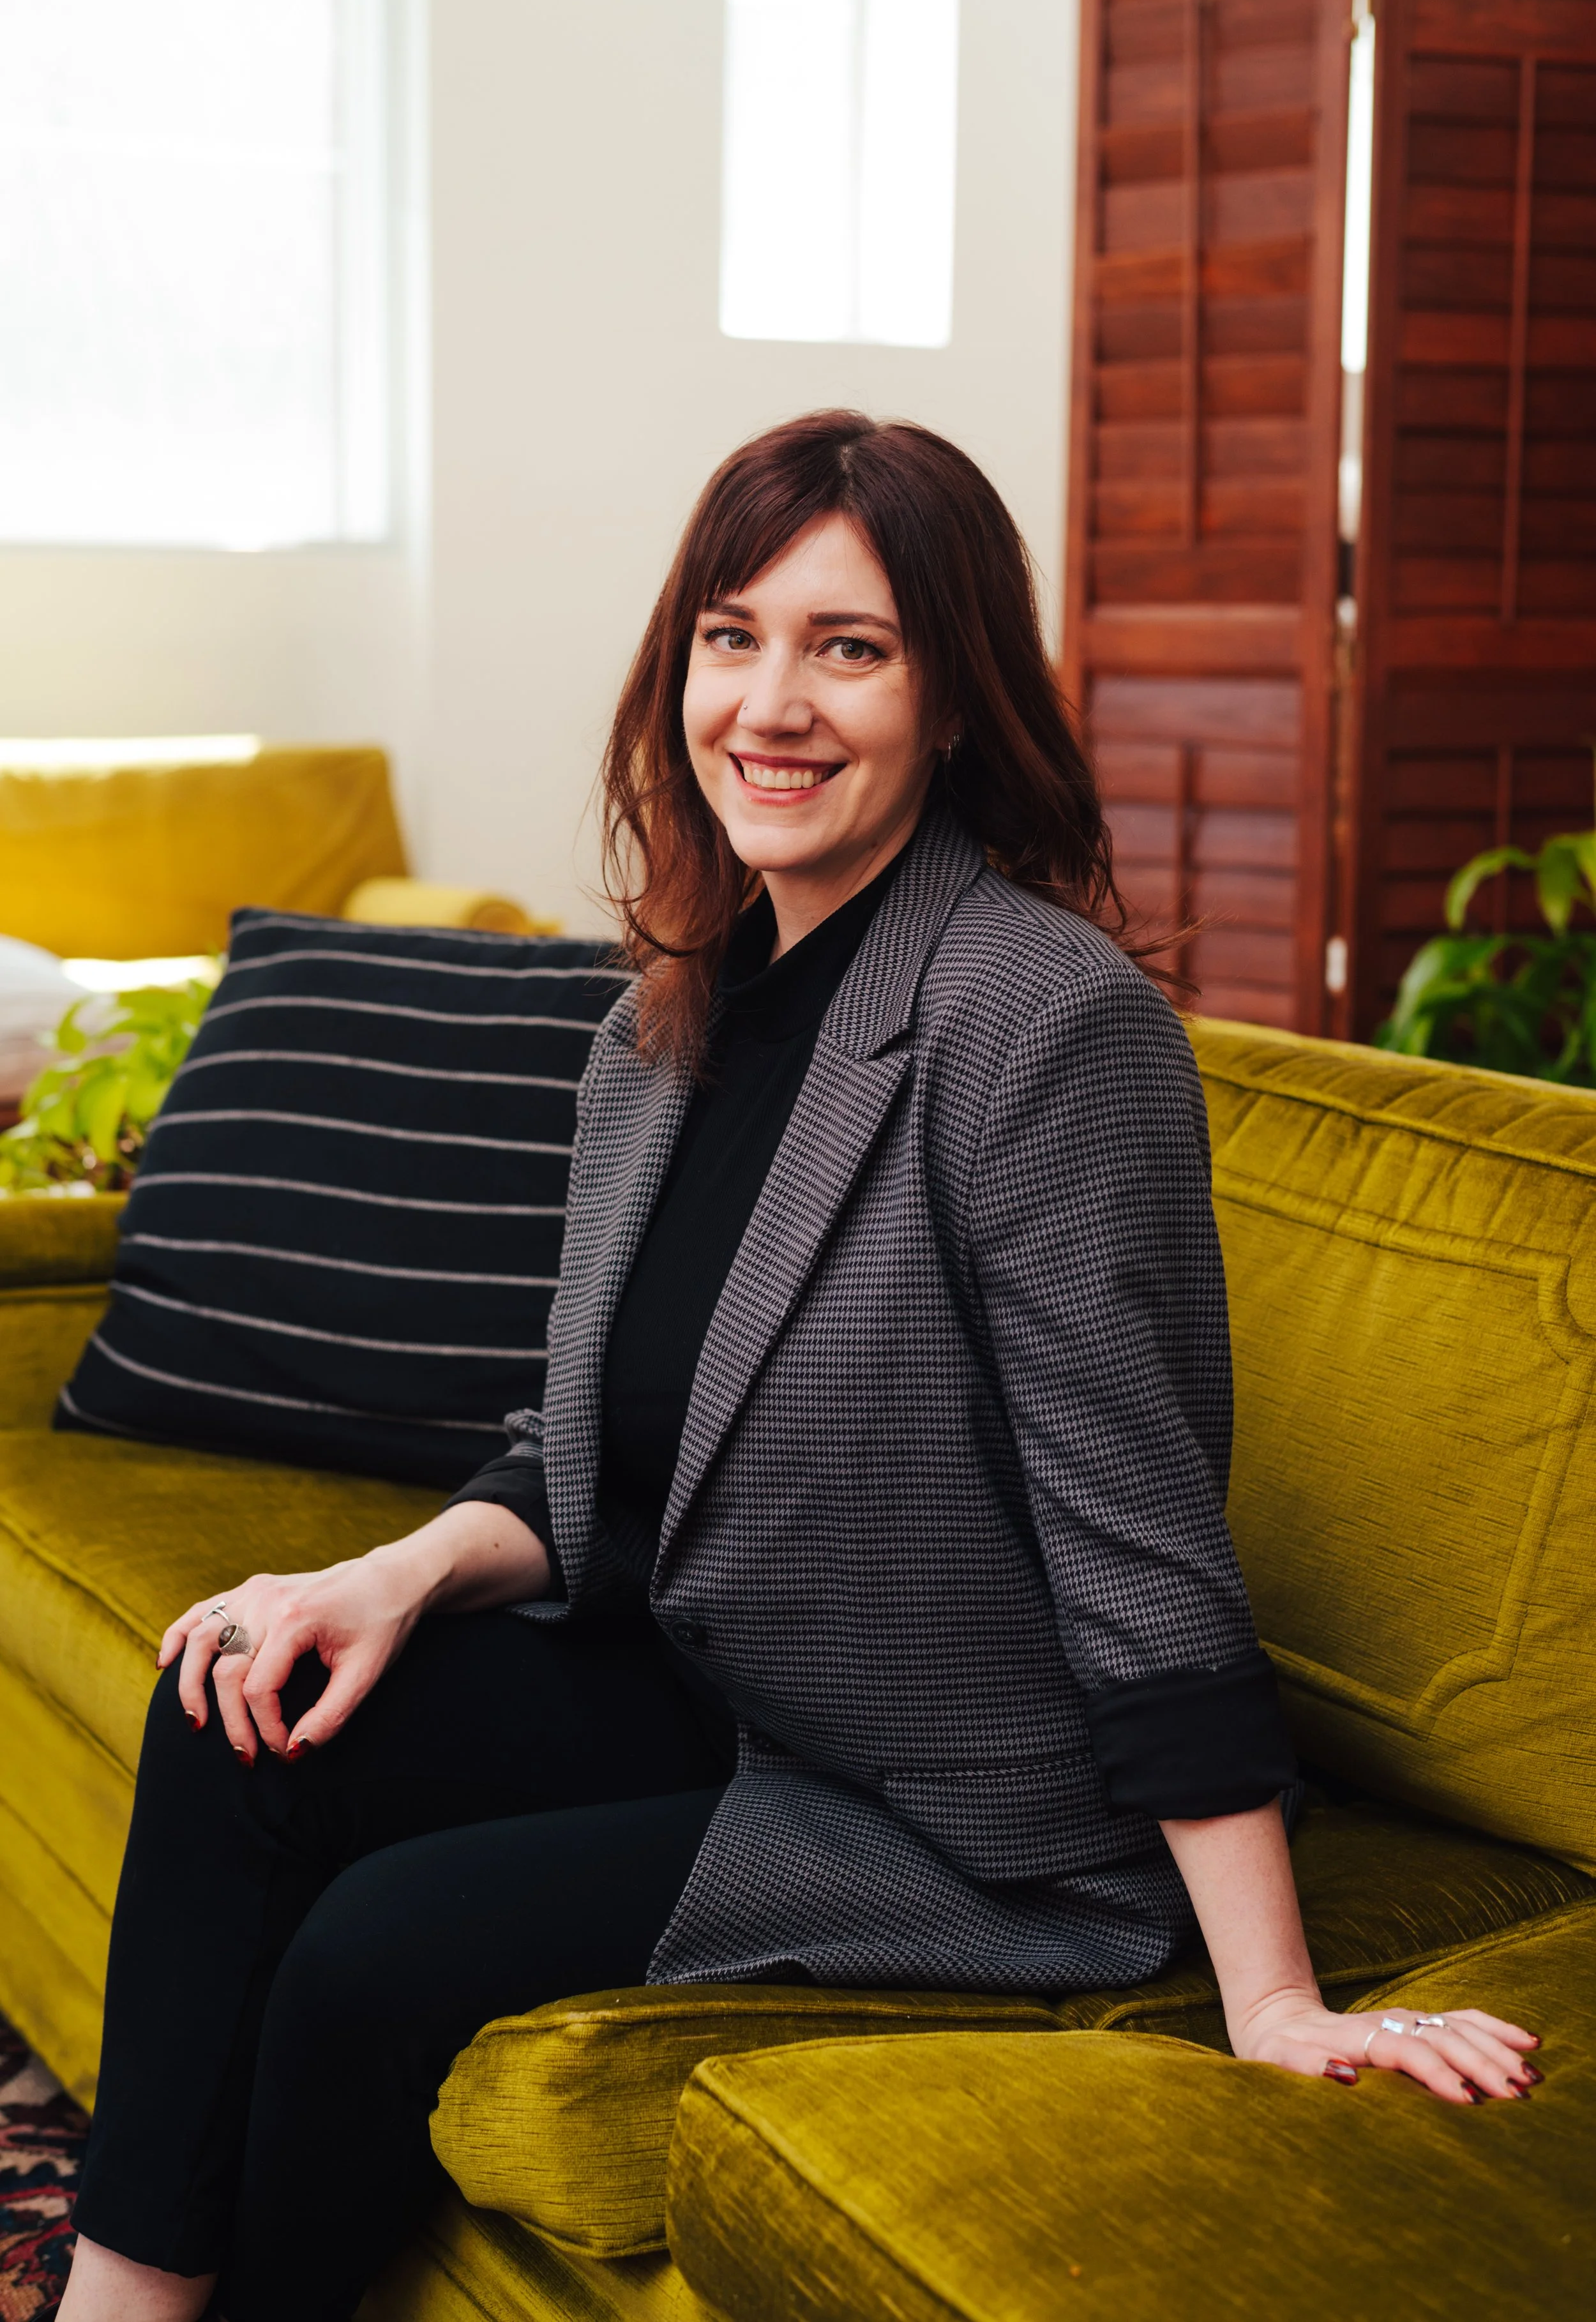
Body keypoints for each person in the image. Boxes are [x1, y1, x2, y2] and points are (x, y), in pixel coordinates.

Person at [60, 412, 1539, 2322]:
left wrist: (1270, 1997)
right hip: (709, 1669)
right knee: (234, 1701)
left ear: (953, 698)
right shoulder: (671, 1012)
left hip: (941, 1794)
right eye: (731, 633)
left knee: (372, 1946)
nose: (771, 700)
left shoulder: (1042, 1021)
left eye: (850, 646)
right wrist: (383, 1574)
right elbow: (591, 1446)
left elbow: (1140, 1538)